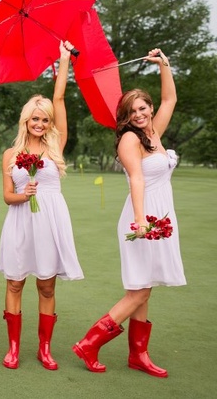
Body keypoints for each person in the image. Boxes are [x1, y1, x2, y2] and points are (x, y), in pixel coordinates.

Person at [73, 48, 185, 378]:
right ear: (125, 115)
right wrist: (140, 220)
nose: (139, 114)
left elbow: (170, 100)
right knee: (139, 290)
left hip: (161, 213)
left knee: (145, 285)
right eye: (132, 110)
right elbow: (137, 178)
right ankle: (89, 343)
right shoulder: (129, 140)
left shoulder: (154, 133)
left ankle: (138, 355)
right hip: (143, 215)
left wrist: (164, 64)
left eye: (142, 107)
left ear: (149, 108)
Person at [0, 41, 83, 370]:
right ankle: (13, 348)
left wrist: (63, 59)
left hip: (50, 220)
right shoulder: (11, 154)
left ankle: (44, 349)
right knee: (15, 282)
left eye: (45, 119)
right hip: (20, 219)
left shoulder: (56, 147)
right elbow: (7, 196)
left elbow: (59, 99)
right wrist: (25, 194)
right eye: (35, 118)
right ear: (26, 120)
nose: (40, 123)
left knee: (46, 285)